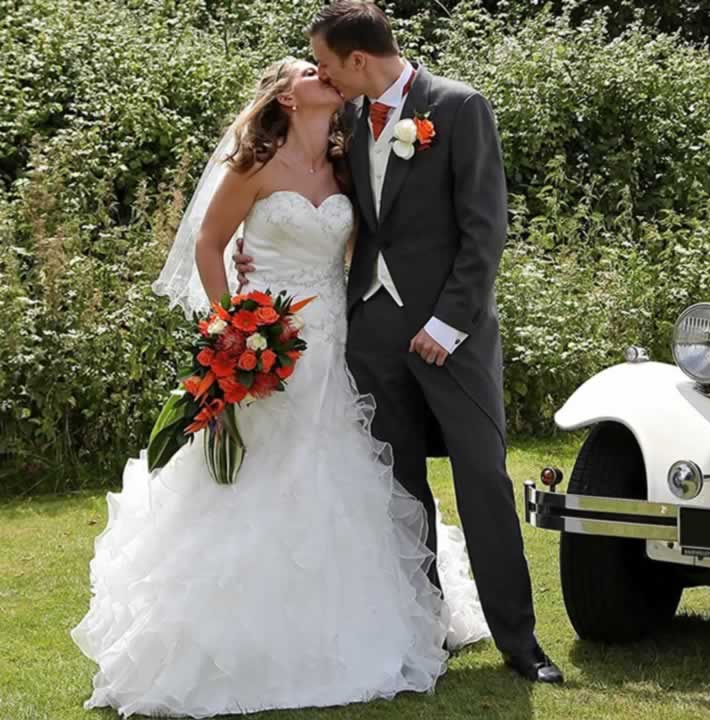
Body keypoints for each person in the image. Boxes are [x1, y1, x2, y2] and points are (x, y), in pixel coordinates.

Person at [72, 54, 492, 718]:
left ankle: (363, 621)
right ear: (287, 98)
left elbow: (365, 251)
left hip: (338, 345)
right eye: (308, 70)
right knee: (264, 477)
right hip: (268, 343)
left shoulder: (348, 164)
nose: (324, 73)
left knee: (343, 474)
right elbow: (211, 245)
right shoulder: (254, 165)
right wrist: (229, 329)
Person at [237, 0, 563, 685]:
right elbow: (313, 199)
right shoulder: (349, 118)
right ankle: (426, 624)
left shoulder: (460, 106)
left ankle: (521, 643)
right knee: (398, 486)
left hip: (454, 335)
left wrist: (448, 322)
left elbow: (486, 229)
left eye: (326, 63)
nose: (321, 74)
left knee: (481, 479)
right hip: (369, 331)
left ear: (358, 60)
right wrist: (255, 258)